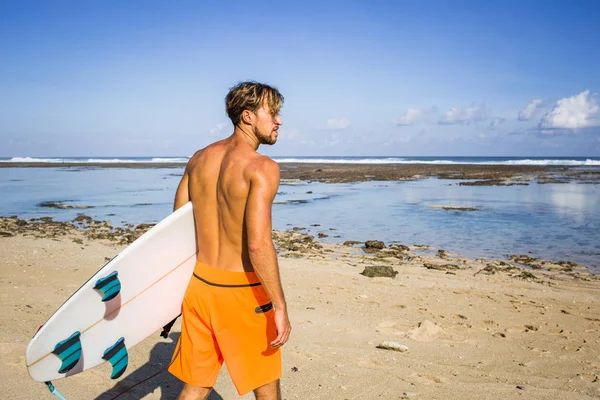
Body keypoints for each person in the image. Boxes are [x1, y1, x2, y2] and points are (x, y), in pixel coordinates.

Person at [168, 81, 291, 400]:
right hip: (242, 294)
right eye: (273, 113)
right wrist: (279, 305)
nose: (279, 120)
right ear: (248, 116)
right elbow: (258, 244)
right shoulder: (262, 167)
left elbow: (176, 228)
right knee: (266, 387)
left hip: (200, 287)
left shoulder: (198, 159)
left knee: (196, 385)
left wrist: (170, 296)